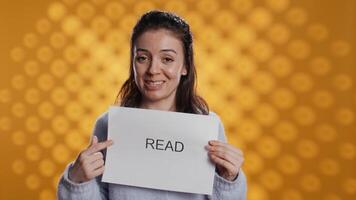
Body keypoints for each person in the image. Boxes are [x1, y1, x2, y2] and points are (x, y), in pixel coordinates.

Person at [57, 10, 247, 200]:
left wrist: (229, 179)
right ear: (132, 62)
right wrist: (78, 180)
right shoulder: (108, 124)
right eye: (142, 58)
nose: (153, 70)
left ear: (185, 66)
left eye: (167, 59)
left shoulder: (208, 126)